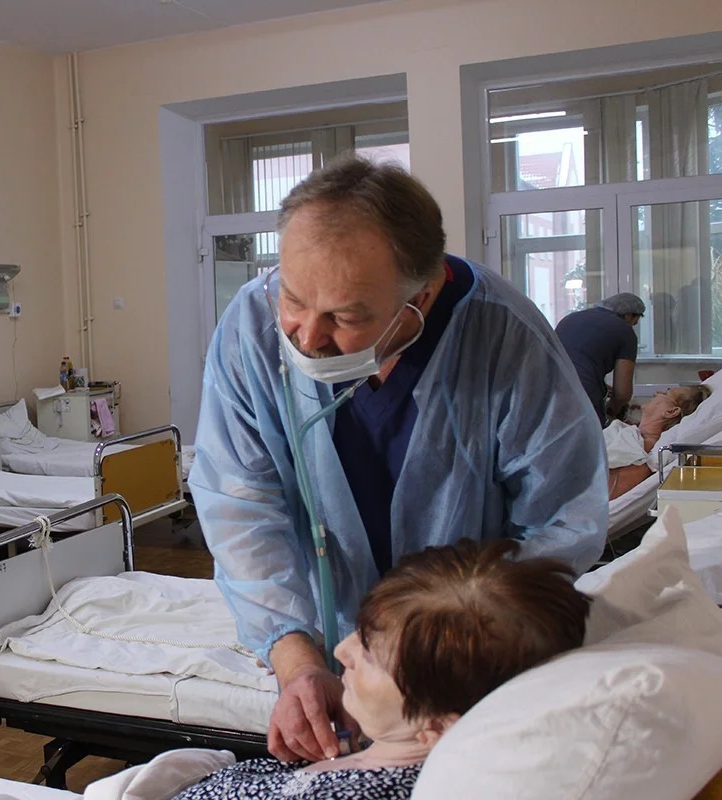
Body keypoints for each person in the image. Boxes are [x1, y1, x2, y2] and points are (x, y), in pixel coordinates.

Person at [188, 156, 606, 764]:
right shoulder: (252, 329)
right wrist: (298, 662)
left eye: (345, 317)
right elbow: (240, 505)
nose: (306, 336)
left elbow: (560, 524)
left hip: (454, 662)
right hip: (326, 639)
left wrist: (436, 661)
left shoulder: (505, 340)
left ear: (422, 297)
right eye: (293, 299)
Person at [171, 540, 591, 800]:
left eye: (370, 654)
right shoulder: (371, 752)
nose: (342, 650)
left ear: (436, 726)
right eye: (360, 633)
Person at [606, 384, 712, 500]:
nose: (657, 393)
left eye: (665, 394)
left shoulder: (641, 449)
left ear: (671, 411)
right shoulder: (633, 435)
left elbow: (604, 490)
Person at [555, 293, 645, 426]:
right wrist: (612, 410)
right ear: (627, 315)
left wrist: (602, 387)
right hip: (584, 397)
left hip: (549, 391)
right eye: (634, 323)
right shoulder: (625, 331)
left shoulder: (569, 319)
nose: (631, 326)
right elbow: (622, 394)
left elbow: (576, 362)